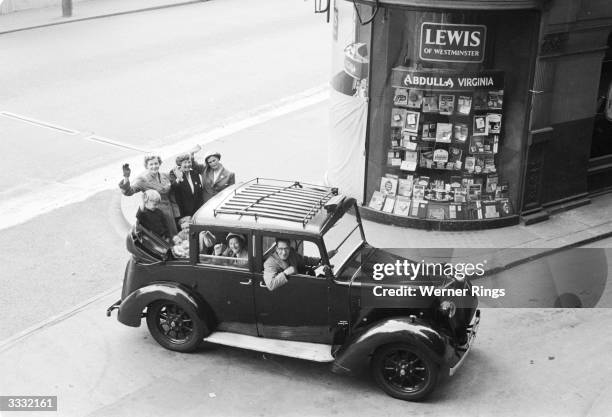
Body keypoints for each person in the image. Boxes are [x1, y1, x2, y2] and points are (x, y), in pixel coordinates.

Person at [119, 155, 179, 236]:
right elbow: (128, 192)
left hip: (169, 212)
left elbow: (175, 180)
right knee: (163, 238)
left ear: (159, 163)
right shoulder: (143, 180)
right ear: (146, 166)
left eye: (156, 163)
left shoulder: (165, 176)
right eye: (151, 164)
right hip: (155, 214)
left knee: (173, 234)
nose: (154, 166)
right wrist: (126, 177)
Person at [170, 153, 204, 218]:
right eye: (185, 163)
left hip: (197, 209)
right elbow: (173, 188)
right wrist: (179, 178)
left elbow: (199, 192)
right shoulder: (174, 173)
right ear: (180, 164)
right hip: (183, 211)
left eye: (189, 162)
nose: (188, 165)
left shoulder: (194, 173)